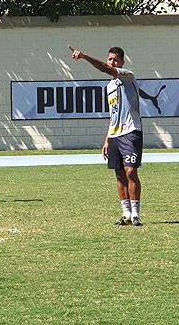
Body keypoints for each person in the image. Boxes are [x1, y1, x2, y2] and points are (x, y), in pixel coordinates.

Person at [69, 45, 143, 226]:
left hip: (131, 131)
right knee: (119, 174)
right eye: (110, 59)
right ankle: (126, 214)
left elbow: (104, 68)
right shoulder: (109, 87)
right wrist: (107, 139)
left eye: (115, 60)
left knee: (131, 171)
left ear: (122, 62)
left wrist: (84, 56)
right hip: (115, 135)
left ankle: (136, 214)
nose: (112, 62)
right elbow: (113, 114)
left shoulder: (127, 75)